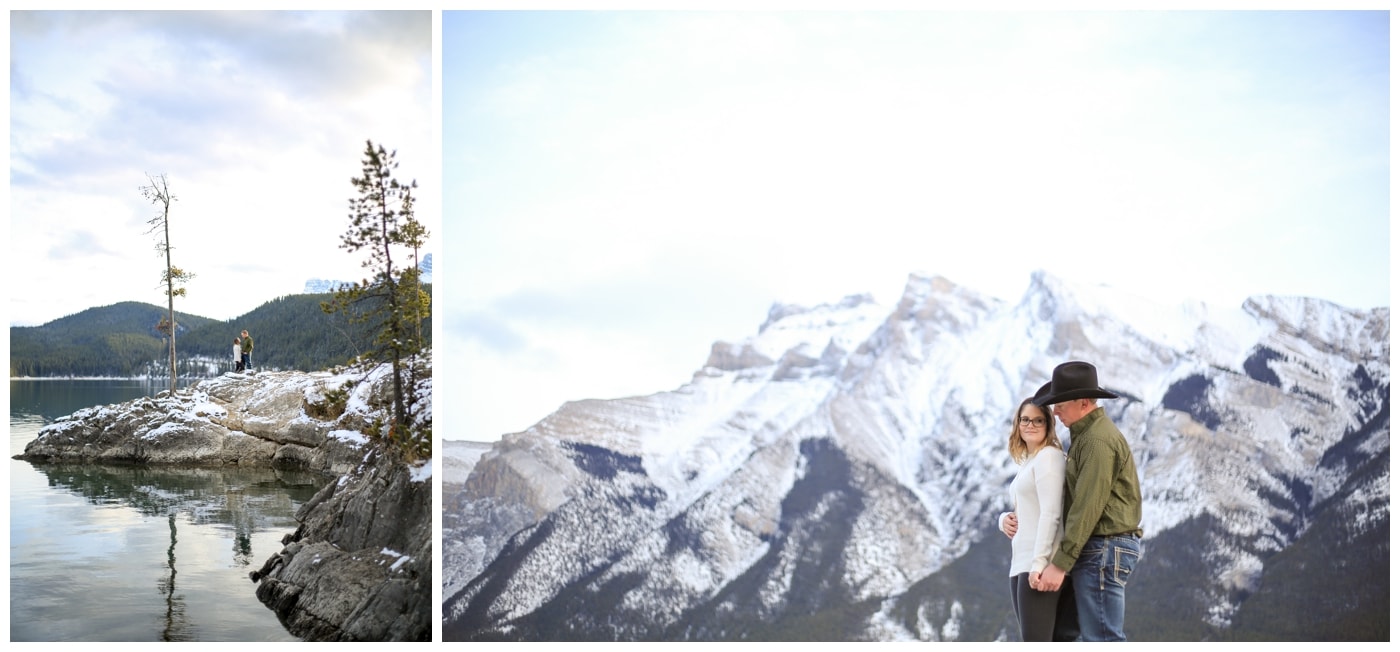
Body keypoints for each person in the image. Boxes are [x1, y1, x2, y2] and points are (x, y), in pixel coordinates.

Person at [1031, 361, 1144, 642]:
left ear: (1083, 402)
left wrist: (1059, 564)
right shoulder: (1087, 437)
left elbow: (1087, 507)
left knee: (1102, 639)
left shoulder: (1096, 441)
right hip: (1098, 549)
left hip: (1102, 548)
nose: (1055, 411)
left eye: (1061, 404)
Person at [996, 385, 1076, 641]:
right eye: (1025, 419)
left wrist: (1040, 563)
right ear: (1017, 423)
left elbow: (1051, 513)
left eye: (1038, 420)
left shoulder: (1049, 457)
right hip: (1021, 562)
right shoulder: (1030, 461)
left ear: (1048, 424)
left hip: (1038, 564)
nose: (1030, 424)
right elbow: (1027, 508)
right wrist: (1002, 521)